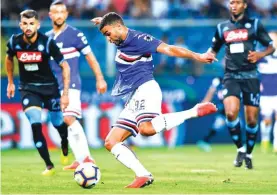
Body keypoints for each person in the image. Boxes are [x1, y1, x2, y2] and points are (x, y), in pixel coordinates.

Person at [91, 12, 218, 188]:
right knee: (111, 142)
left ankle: (193, 111)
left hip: (146, 89)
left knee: (146, 129)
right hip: (133, 96)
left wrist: (197, 56)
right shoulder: (120, 36)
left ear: (119, 27)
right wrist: (103, 22)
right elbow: (112, 24)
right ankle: (143, 175)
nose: (108, 39)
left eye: (108, 34)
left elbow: (170, 49)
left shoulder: (139, 39)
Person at [206, 0, 275, 169]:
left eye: (237, 2)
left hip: (251, 76)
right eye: (231, 3)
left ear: (244, 5)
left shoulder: (255, 25)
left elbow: (271, 47)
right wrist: (208, 55)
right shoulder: (222, 27)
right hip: (231, 76)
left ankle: (249, 154)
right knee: (230, 113)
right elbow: (214, 49)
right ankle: (240, 149)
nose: (233, 5)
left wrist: (260, 54)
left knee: (252, 120)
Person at [5, 10, 71, 176]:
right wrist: (11, 82)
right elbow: (9, 59)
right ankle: (49, 165)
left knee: (57, 123)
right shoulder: (14, 42)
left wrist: (65, 94)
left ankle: (64, 140)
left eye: (31, 23)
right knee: (35, 123)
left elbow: (65, 66)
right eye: (25, 24)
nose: (28, 27)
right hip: (28, 89)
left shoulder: (47, 43)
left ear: (37, 25)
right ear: (20, 25)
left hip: (50, 88)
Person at [46, 0, 108, 170]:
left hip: (71, 83)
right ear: (50, 15)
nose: (59, 15)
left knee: (68, 118)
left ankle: (87, 158)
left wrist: (100, 78)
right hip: (54, 87)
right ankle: (79, 158)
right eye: (55, 12)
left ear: (66, 14)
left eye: (62, 12)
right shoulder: (47, 38)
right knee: (63, 122)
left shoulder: (75, 34)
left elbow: (90, 57)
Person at [258, 31, 277, 153]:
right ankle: (265, 139)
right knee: (267, 120)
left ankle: (276, 144)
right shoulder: (261, 55)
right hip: (265, 94)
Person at [197, 77, 226, 152]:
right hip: (224, 108)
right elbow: (211, 91)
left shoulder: (234, 79)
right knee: (218, 125)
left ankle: (205, 141)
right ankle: (204, 141)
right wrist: (205, 102)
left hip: (230, 107)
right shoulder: (218, 80)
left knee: (218, 126)